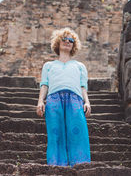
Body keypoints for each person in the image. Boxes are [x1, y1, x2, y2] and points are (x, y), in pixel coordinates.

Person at [36, 27, 91, 166]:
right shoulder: (48, 65)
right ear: (58, 43)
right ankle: (56, 166)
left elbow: (83, 86)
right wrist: (40, 101)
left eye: (71, 40)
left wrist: (87, 102)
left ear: (74, 44)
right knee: (55, 133)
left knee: (77, 132)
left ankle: (80, 165)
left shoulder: (80, 66)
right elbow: (44, 85)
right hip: (53, 100)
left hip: (75, 99)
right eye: (64, 39)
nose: (67, 42)